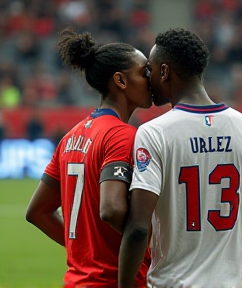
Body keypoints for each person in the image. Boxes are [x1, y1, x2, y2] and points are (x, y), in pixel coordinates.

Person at [118, 28, 242, 288]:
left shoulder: (154, 133)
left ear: (165, 72)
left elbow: (137, 227)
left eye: (151, 70)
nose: (148, 78)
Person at [26, 27, 152, 288]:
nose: (150, 79)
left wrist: (82, 250)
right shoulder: (122, 136)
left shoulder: (70, 137)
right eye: (143, 72)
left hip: (77, 281)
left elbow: (37, 212)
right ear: (120, 80)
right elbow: (112, 209)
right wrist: (147, 247)